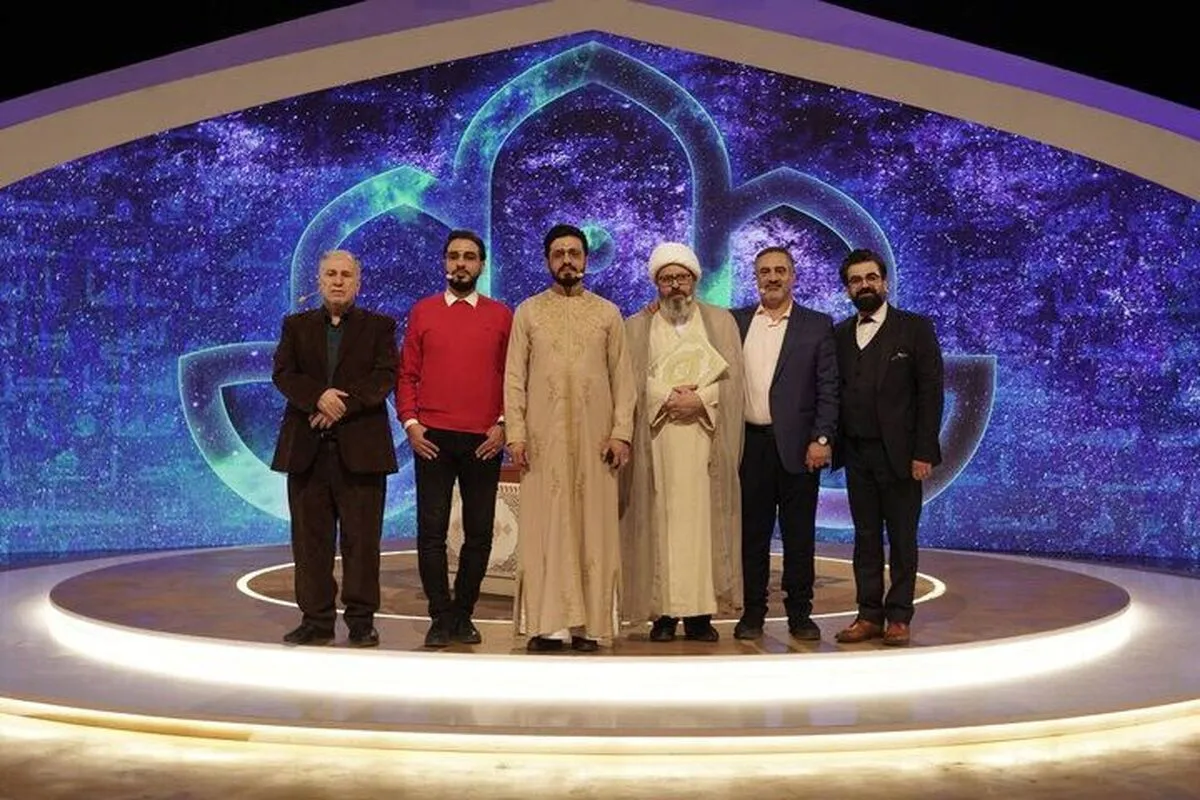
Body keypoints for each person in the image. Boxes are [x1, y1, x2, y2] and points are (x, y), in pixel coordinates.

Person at [504, 223, 636, 653]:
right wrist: (516, 434)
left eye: (574, 253)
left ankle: (588, 627)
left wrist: (621, 434)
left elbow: (624, 379)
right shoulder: (528, 312)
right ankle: (549, 626)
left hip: (596, 445)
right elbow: (514, 378)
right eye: (558, 253)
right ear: (547, 261)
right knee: (546, 529)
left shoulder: (608, 314)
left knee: (592, 531)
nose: (566, 260)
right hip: (542, 445)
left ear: (585, 259)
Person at [270, 249, 398, 648]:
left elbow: (385, 376)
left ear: (358, 282)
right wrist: (318, 398)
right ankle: (316, 620)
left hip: (362, 452)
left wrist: (341, 405)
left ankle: (361, 622)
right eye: (331, 274)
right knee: (310, 542)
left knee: (362, 542)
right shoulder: (295, 326)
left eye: (346, 275)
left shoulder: (379, 327)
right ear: (320, 281)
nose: (338, 281)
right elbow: (283, 374)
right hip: (306, 451)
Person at [620, 242, 744, 643]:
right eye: (667, 278)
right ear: (656, 283)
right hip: (657, 442)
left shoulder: (720, 322)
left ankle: (700, 616)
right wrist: (666, 398)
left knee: (701, 528)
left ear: (694, 280)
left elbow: (734, 383)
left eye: (682, 277)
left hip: (705, 442)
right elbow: (628, 380)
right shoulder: (636, 326)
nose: (675, 285)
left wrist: (700, 400)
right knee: (663, 524)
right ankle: (664, 615)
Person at [397, 230, 511, 648]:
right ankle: (439, 616)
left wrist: (504, 425)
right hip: (433, 439)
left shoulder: (502, 315)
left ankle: (463, 614)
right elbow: (407, 373)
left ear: (481, 264)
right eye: (453, 256)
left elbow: (513, 376)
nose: (461, 263)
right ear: (445, 262)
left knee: (479, 534)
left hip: (484, 439)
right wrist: (411, 424)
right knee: (431, 533)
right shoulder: (423, 311)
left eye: (469, 256)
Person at [832, 248, 944, 647]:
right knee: (865, 537)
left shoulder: (914, 329)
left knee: (901, 537)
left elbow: (930, 393)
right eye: (856, 280)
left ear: (885, 282)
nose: (864, 285)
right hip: (856, 454)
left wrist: (924, 451)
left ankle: (898, 617)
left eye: (871, 278)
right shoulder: (839, 334)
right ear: (847, 289)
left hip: (900, 455)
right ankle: (868, 615)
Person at [731, 246, 839, 642]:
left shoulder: (817, 324)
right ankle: (752, 613)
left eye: (780, 270)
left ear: (793, 276)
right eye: (765, 271)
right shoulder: (735, 322)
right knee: (752, 537)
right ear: (755, 278)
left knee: (799, 537)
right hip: (749, 447)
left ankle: (800, 615)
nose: (772, 277)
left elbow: (829, 388)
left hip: (799, 449)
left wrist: (822, 438)